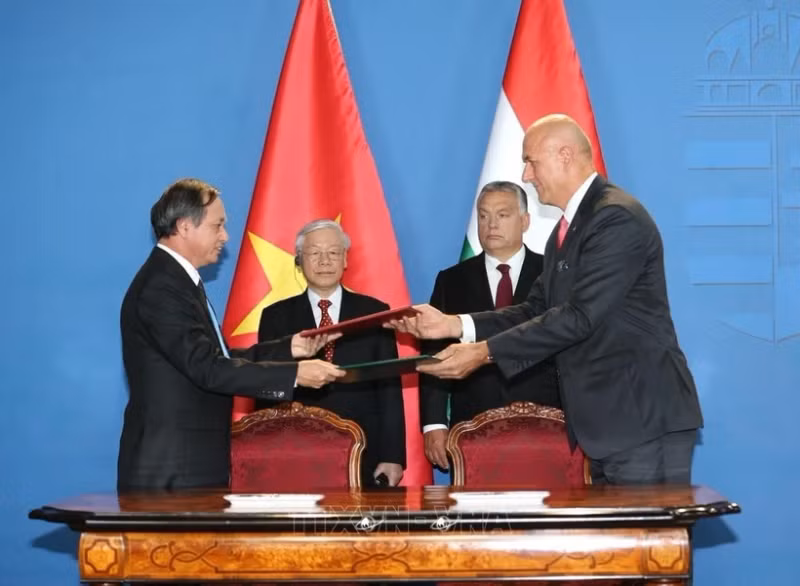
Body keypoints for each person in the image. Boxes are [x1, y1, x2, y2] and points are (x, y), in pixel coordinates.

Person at [392, 114, 704, 485]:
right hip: (604, 427)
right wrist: (455, 325)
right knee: (617, 544)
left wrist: (483, 352)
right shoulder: (565, 231)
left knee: (646, 543)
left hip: (641, 420)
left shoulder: (615, 218)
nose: (526, 175)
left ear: (565, 155)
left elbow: (579, 317)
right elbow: (536, 309)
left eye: (531, 161)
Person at [118, 179, 344, 492]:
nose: (225, 236)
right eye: (218, 226)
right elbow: (208, 369)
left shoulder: (179, 282)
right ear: (185, 226)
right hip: (171, 471)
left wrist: (288, 349)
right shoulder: (162, 287)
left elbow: (218, 359)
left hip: (189, 466)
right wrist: (294, 375)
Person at [420, 181, 560, 471]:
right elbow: (434, 355)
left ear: (525, 221)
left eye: (502, 215)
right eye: (483, 216)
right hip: (471, 424)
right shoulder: (451, 280)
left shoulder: (554, 274)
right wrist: (434, 423)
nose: (491, 224)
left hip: (547, 422)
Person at [256, 219, 406, 487]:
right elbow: (266, 388)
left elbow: (389, 388)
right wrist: (269, 450)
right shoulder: (275, 317)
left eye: (333, 253)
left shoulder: (375, 312)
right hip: (296, 449)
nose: (325, 261)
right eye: (314, 253)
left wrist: (393, 456)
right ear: (299, 261)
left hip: (365, 450)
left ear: (345, 259)